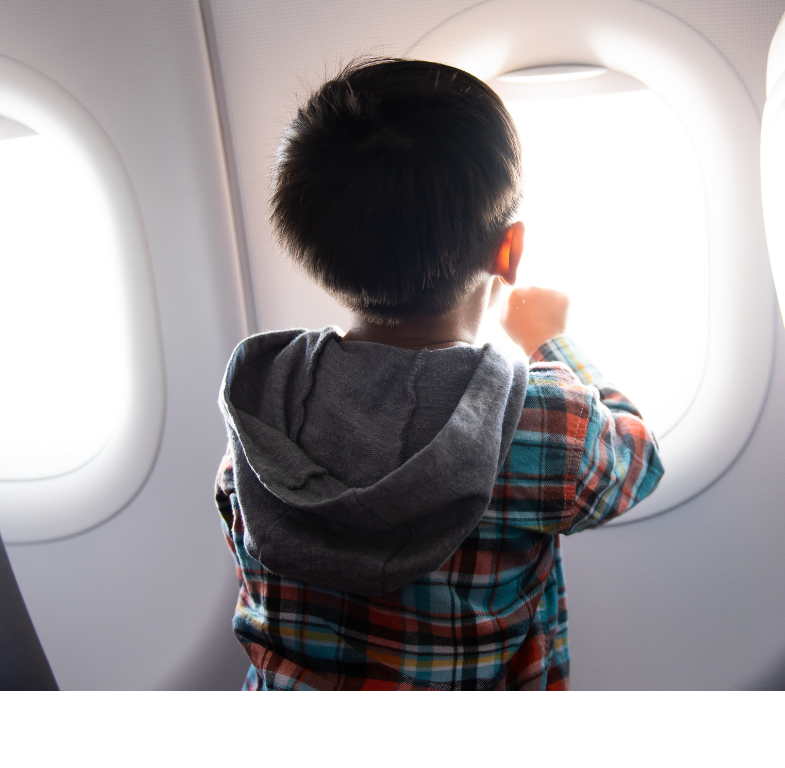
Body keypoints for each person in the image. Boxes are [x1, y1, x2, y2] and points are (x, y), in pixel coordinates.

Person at [215, 57, 663, 690]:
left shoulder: (265, 402)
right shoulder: (538, 424)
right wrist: (546, 341)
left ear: (312, 250)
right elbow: (638, 460)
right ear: (509, 251)